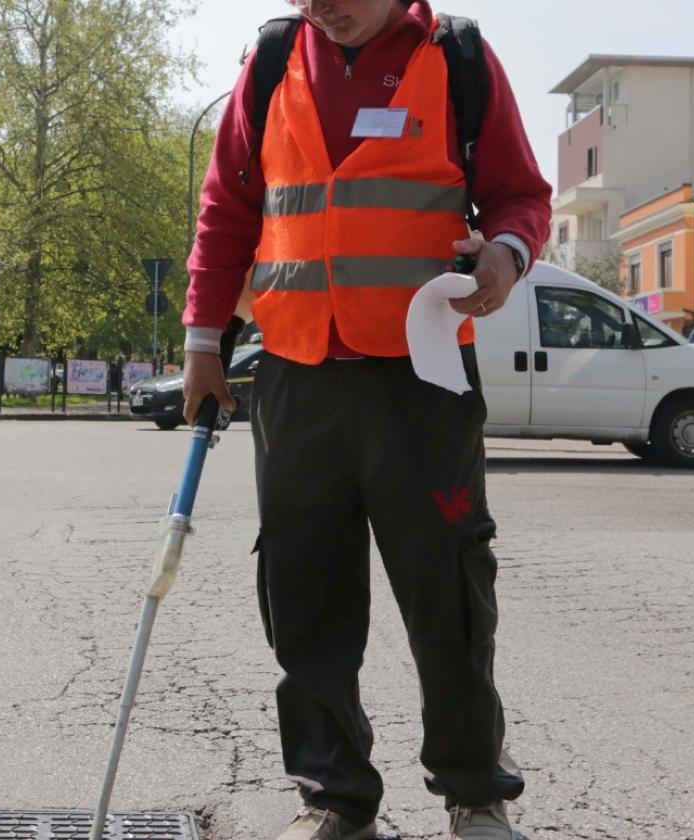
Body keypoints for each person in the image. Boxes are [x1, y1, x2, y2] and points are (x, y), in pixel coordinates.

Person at [181, 2, 551, 839]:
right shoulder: (272, 62)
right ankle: (334, 797)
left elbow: (520, 196)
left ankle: (474, 791)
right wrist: (204, 341)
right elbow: (227, 209)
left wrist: (505, 253)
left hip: (422, 378)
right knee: (304, 594)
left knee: (448, 591)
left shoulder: (455, 57)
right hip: (297, 375)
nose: (323, 6)